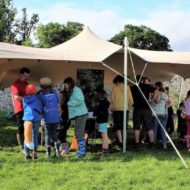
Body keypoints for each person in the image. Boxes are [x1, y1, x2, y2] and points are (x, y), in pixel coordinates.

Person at [63, 77, 88, 157]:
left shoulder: (77, 90)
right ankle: (81, 151)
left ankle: (81, 152)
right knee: (77, 132)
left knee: (79, 132)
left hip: (81, 114)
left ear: (69, 83)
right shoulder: (73, 90)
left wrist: (69, 103)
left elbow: (80, 100)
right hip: (78, 114)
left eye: (65, 84)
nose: (65, 86)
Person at [131, 75, 155, 148]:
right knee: (149, 126)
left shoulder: (132, 88)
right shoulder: (147, 86)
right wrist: (152, 100)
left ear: (136, 80)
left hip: (137, 109)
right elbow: (156, 91)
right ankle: (151, 142)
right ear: (142, 80)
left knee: (136, 127)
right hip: (146, 108)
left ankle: (136, 143)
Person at [39, 77, 60, 157]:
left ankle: (48, 153)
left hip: (47, 117)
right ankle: (57, 152)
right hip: (55, 116)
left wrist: (41, 119)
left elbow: (41, 108)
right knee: (54, 134)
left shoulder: (41, 95)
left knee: (47, 134)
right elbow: (58, 105)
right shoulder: (55, 93)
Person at [10, 67, 31, 153]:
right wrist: (28, 100)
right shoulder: (15, 84)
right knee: (20, 127)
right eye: (25, 75)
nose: (27, 77)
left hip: (27, 108)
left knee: (27, 126)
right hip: (19, 108)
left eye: (28, 76)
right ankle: (21, 147)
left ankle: (27, 145)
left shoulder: (26, 84)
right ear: (20, 75)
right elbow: (16, 97)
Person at [111, 75, 133, 148]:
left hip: (116, 109)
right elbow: (131, 101)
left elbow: (113, 100)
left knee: (118, 127)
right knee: (124, 127)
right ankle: (125, 142)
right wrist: (128, 108)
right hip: (125, 110)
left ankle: (120, 142)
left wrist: (112, 109)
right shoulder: (127, 87)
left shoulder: (115, 87)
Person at [23, 84, 42, 160]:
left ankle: (27, 153)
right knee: (35, 136)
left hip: (27, 118)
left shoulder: (24, 99)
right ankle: (35, 153)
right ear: (34, 91)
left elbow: (24, 108)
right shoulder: (37, 99)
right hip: (36, 119)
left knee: (27, 136)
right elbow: (39, 109)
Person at [151, 82, 168, 149]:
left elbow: (157, 100)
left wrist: (152, 100)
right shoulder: (165, 94)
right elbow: (169, 102)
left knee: (154, 128)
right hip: (164, 113)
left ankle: (153, 143)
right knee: (163, 129)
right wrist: (165, 106)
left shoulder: (157, 92)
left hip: (157, 113)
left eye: (155, 86)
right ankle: (164, 144)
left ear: (157, 86)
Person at [94, 89, 110, 154]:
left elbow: (97, 112)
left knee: (104, 135)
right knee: (104, 135)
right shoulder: (105, 103)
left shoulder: (102, 103)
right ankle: (105, 149)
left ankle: (105, 149)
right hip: (104, 121)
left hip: (103, 121)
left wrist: (95, 113)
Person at [59, 83, 71, 156]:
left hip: (65, 119)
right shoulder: (67, 99)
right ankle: (65, 149)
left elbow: (62, 110)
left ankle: (66, 149)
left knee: (60, 135)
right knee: (62, 135)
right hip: (66, 119)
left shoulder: (65, 100)